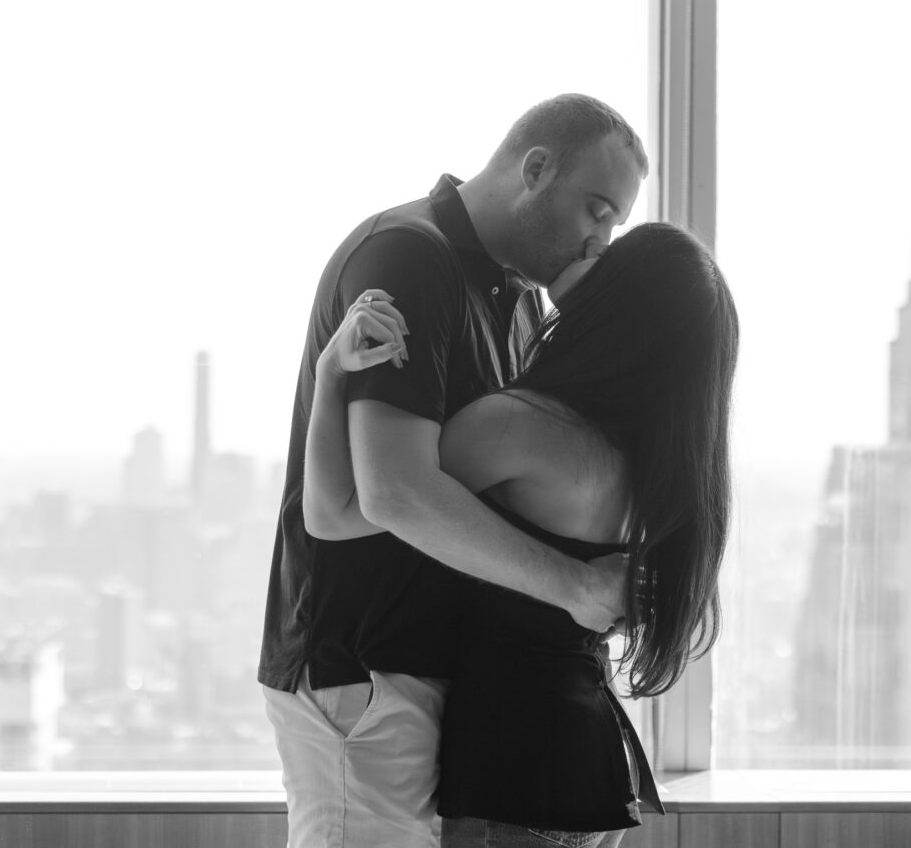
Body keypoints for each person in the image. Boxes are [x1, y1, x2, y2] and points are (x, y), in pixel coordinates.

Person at [259, 93, 648, 848]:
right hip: (364, 669)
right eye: (595, 210)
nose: (601, 242)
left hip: (436, 670)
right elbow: (393, 491)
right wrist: (578, 586)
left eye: (615, 225)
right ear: (535, 168)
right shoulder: (407, 257)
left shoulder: (522, 302)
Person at [306, 221, 739, 847]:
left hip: (517, 767)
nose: (592, 246)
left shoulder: (523, 427)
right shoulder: (661, 468)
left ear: (622, 303)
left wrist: (330, 374)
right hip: (588, 758)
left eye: (610, 257)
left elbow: (339, 510)